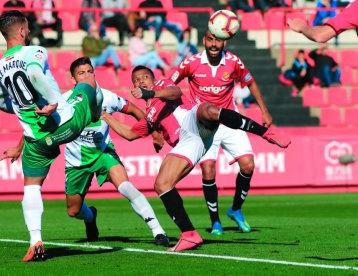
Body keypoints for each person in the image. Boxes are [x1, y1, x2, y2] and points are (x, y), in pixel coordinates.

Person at [101, 65, 290, 252]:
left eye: (144, 77)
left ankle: (265, 132)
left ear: (153, 78)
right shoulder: (150, 116)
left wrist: (150, 94)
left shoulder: (162, 85)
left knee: (207, 109)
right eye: (136, 80)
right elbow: (130, 134)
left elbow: (175, 92)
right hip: (189, 142)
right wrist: (107, 118)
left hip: (193, 121)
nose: (140, 81)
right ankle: (189, 235)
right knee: (162, 184)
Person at [0, 57, 170, 246]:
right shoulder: (62, 102)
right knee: (74, 211)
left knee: (125, 186)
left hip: (103, 152)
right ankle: (90, 216)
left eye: (90, 71)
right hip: (76, 162)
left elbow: (135, 111)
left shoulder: (107, 96)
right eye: (82, 73)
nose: (87, 76)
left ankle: (158, 231)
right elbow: (39, 129)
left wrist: (153, 132)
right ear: (73, 79)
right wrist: (18, 147)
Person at [0, 10, 103, 262]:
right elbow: (33, 74)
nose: (30, 32)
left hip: (36, 139)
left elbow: (0, 104)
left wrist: (23, 108)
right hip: (66, 123)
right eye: (28, 28)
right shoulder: (35, 51)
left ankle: (36, 240)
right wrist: (54, 102)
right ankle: (95, 113)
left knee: (32, 187)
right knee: (87, 85)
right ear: (21, 31)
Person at [169, 30, 276, 236]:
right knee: (208, 169)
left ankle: (236, 209)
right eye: (210, 39)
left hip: (229, 120)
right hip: (205, 124)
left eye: (218, 40)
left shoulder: (234, 62)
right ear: (204, 40)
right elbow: (170, 84)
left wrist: (264, 110)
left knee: (248, 165)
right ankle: (215, 221)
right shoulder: (190, 63)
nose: (214, 44)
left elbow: (250, 82)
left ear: (224, 41)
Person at [287, 0, 358, 43]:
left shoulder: (355, 6)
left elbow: (320, 35)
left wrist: (302, 27)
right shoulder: (320, 4)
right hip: (321, 24)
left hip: (325, 28)